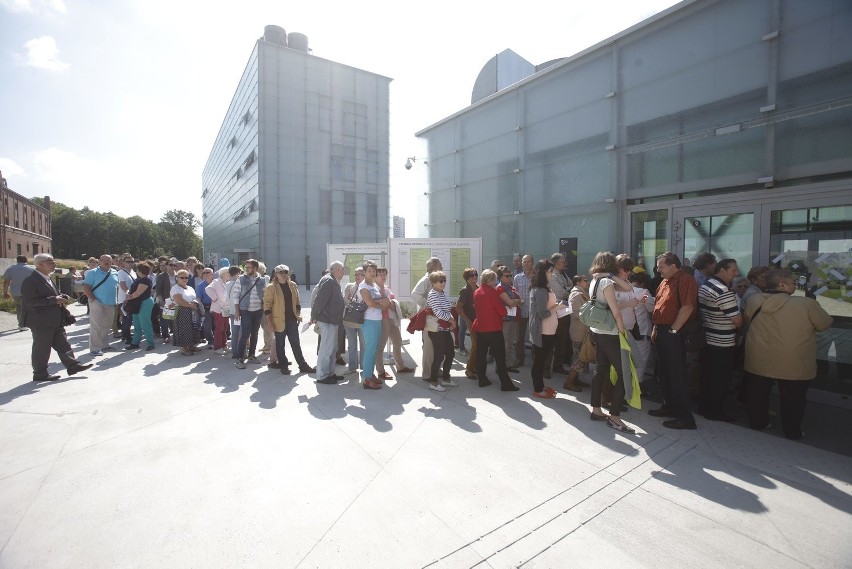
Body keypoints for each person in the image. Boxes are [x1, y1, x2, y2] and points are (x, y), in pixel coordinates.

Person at [744, 269, 832, 440]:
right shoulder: (806, 304)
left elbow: (748, 318)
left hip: (759, 357)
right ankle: (792, 431)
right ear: (781, 285)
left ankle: (758, 423)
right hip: (794, 361)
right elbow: (824, 324)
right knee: (794, 398)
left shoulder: (754, 300)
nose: (796, 284)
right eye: (793, 282)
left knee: (757, 394)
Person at [20, 254, 93, 381]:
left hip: (55, 320)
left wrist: (60, 296)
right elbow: (30, 302)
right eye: (51, 262)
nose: (55, 264)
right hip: (41, 322)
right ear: (40, 264)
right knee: (42, 348)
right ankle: (40, 374)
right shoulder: (30, 280)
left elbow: (48, 295)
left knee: (64, 345)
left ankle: (73, 366)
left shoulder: (47, 277)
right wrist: (53, 300)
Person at [587, 252, 635, 434]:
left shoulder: (595, 281)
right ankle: (615, 417)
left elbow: (628, 288)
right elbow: (615, 311)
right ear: (611, 265)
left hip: (597, 330)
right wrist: (622, 330)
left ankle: (596, 410)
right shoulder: (607, 282)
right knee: (625, 373)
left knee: (601, 370)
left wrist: (608, 275)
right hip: (610, 332)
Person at [650, 252, 698, 430]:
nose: (658, 270)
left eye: (661, 266)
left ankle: (685, 418)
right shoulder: (664, 281)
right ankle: (669, 407)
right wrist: (656, 328)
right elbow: (659, 307)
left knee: (676, 376)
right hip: (663, 331)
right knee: (664, 373)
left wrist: (673, 330)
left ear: (673, 265)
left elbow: (687, 307)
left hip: (673, 332)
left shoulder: (685, 280)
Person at [697, 259, 744, 421]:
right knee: (720, 379)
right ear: (722, 271)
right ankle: (714, 411)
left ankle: (704, 407)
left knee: (708, 377)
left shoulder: (706, 284)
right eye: (733, 271)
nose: (736, 274)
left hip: (708, 338)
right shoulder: (723, 291)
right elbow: (737, 320)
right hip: (723, 341)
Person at [263, 264, 315, 375]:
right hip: (278, 321)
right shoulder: (271, 288)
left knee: (295, 343)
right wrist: (270, 322)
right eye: (280, 272)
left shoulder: (293, 285)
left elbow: (297, 302)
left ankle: (302, 365)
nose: (283, 275)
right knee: (280, 344)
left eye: (285, 272)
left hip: (292, 320)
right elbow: (267, 306)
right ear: (276, 274)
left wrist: (298, 315)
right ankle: (283, 365)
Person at [471, 270, 519, 391]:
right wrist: (504, 310)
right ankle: (505, 383)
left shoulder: (477, 291)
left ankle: (482, 379)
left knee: (481, 354)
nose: (496, 281)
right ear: (489, 280)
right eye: (494, 279)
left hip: (481, 327)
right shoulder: (492, 292)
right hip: (493, 328)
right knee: (500, 357)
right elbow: (501, 311)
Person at [374, 267, 414, 378]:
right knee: (381, 346)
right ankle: (381, 372)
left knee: (397, 341)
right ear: (376, 276)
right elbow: (381, 303)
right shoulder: (375, 288)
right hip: (383, 319)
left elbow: (390, 301)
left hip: (392, 318)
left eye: (384, 274)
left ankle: (400, 367)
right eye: (380, 274)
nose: (383, 276)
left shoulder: (386, 287)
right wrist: (388, 302)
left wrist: (390, 303)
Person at [528, 259, 559, 399]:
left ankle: (541, 385)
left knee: (542, 359)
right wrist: (558, 307)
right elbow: (542, 314)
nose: (552, 274)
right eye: (550, 271)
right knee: (539, 361)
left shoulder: (545, 288)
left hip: (549, 330)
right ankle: (538, 389)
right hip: (543, 331)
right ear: (543, 273)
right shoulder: (540, 290)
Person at [422, 270, 456, 392]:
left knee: (451, 353)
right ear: (433, 283)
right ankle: (434, 382)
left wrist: (450, 320)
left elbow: (446, 310)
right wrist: (451, 320)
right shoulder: (433, 294)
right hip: (437, 330)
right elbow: (438, 312)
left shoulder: (440, 293)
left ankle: (446, 379)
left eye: (444, 281)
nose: (443, 283)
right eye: (440, 281)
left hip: (444, 328)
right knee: (439, 356)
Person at [358, 261, 389, 389]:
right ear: (364, 273)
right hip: (368, 320)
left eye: (373, 271)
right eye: (369, 271)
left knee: (374, 349)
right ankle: (367, 379)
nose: (372, 273)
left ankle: (370, 374)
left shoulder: (374, 286)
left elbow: (382, 300)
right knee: (370, 350)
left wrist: (382, 302)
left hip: (377, 319)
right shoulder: (363, 286)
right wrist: (382, 303)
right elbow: (370, 302)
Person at [313, 262, 345, 384]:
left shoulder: (333, 280)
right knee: (326, 349)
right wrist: (314, 316)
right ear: (336, 269)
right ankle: (322, 376)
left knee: (332, 349)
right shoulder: (329, 281)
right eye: (342, 270)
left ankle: (330, 373)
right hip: (327, 320)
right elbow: (319, 300)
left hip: (334, 321)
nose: (343, 272)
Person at [231, 259, 266, 369]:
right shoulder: (240, 279)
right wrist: (237, 311)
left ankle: (251, 355)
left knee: (255, 333)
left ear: (255, 268)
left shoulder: (262, 280)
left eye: (248, 267)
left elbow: (265, 294)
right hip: (245, 310)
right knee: (245, 334)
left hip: (258, 310)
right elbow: (235, 295)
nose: (246, 269)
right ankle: (240, 358)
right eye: (246, 267)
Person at [82, 254, 120, 356]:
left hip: (111, 303)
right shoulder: (92, 272)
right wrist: (94, 300)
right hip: (97, 302)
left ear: (112, 262)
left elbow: (116, 287)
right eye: (104, 260)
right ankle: (94, 348)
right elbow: (86, 287)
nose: (106, 262)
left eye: (109, 260)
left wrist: (116, 300)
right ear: (99, 261)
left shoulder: (115, 272)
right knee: (96, 326)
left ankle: (104, 345)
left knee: (106, 326)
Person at [411, 256, 442, 375]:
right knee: (429, 346)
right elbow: (414, 294)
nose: (442, 267)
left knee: (435, 345)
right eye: (440, 264)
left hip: (434, 316)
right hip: (429, 317)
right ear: (434, 266)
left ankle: (435, 369)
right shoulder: (426, 279)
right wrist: (428, 305)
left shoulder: (433, 279)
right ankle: (428, 373)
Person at [627, 271, 655, 389]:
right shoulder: (644, 292)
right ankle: (636, 389)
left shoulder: (624, 290)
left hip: (626, 329)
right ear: (643, 283)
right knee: (640, 360)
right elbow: (651, 308)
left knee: (627, 360)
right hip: (641, 331)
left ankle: (625, 387)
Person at [548, 253, 572, 376]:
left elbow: (571, 285)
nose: (565, 264)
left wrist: (568, 290)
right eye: (563, 262)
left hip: (565, 310)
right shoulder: (552, 276)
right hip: (556, 310)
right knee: (556, 340)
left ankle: (560, 363)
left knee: (563, 339)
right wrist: (569, 290)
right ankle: (553, 365)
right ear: (557, 264)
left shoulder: (563, 274)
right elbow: (562, 293)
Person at [566, 274, 591, 392]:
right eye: (585, 280)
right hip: (578, 331)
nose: (587, 282)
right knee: (578, 358)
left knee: (579, 357)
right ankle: (569, 382)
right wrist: (588, 315)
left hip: (582, 329)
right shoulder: (575, 295)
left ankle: (575, 380)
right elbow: (573, 313)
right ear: (578, 283)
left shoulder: (583, 294)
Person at [124, 262, 156, 351]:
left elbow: (138, 293)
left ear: (140, 270)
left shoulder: (146, 280)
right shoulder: (139, 279)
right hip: (136, 303)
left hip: (145, 302)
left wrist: (128, 298)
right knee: (137, 324)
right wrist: (128, 294)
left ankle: (150, 343)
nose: (136, 270)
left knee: (145, 323)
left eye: (137, 269)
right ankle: (135, 343)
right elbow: (132, 291)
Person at [496, 266, 523, 373]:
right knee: (505, 344)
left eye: (510, 275)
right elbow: (511, 302)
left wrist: (515, 301)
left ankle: (508, 364)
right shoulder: (500, 288)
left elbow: (522, 301)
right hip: (505, 319)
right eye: (506, 276)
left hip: (513, 317)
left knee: (510, 343)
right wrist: (516, 301)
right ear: (500, 277)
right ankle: (501, 366)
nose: (509, 277)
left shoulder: (510, 287)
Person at [171, 269, 203, 356]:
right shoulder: (175, 288)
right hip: (182, 311)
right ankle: (184, 348)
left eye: (186, 277)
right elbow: (179, 300)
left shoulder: (190, 288)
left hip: (192, 311)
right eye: (182, 277)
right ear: (177, 278)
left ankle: (191, 346)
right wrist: (190, 305)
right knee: (184, 329)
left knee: (192, 328)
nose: (184, 279)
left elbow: (195, 298)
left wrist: (195, 304)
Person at [455, 268, 479, 380]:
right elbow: (458, 308)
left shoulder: (479, 288)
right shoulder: (465, 291)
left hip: (480, 321)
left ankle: (475, 367)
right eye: (471, 275)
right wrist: (467, 320)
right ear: (467, 278)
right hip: (472, 322)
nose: (474, 277)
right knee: (476, 345)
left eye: (476, 275)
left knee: (479, 345)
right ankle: (469, 370)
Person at [342, 267, 366, 375]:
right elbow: (345, 299)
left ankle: (364, 367)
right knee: (352, 344)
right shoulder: (349, 286)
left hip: (362, 319)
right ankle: (352, 367)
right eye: (356, 274)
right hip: (350, 319)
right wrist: (354, 304)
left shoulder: (368, 287)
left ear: (364, 275)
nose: (357, 276)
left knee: (363, 343)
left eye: (360, 274)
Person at [512, 255, 534, 367]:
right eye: (524, 261)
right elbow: (514, 293)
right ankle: (519, 359)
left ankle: (536, 360)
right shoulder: (517, 277)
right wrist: (517, 300)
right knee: (519, 337)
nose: (526, 263)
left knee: (535, 337)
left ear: (532, 263)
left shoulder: (536, 277)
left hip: (534, 312)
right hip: (521, 310)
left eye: (528, 261)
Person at [3, 255, 34, 331]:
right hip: (27, 292)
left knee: (18, 307)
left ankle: (21, 323)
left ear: (17, 260)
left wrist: (5, 292)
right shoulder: (31, 269)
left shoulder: (11, 269)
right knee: (25, 308)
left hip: (15, 292)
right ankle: (22, 324)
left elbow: (6, 281)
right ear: (26, 260)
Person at [206, 267, 232, 354]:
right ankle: (217, 347)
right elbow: (208, 289)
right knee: (219, 328)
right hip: (218, 309)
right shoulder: (216, 281)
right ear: (224, 274)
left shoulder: (225, 283)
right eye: (228, 273)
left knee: (224, 328)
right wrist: (215, 298)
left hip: (225, 309)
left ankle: (224, 345)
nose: (229, 274)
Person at [154, 259, 176, 342]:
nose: (173, 267)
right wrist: (161, 301)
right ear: (166, 266)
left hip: (176, 299)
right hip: (166, 299)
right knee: (164, 319)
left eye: (174, 265)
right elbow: (158, 290)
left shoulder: (177, 275)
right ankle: (165, 336)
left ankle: (176, 335)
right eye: (171, 265)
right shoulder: (161, 276)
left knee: (175, 318)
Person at [117, 255, 136, 344]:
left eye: (132, 261)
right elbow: (123, 285)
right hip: (124, 299)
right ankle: (127, 337)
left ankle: (125, 335)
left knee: (127, 319)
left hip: (132, 298)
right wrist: (129, 294)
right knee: (127, 318)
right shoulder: (121, 272)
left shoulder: (133, 272)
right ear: (124, 263)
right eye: (128, 262)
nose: (130, 263)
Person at [195, 267, 215, 348]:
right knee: (207, 327)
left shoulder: (217, 284)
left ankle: (218, 341)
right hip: (206, 308)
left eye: (208, 272)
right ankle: (210, 341)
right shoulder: (200, 286)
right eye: (204, 273)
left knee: (218, 326)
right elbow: (198, 299)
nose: (206, 274)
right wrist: (200, 309)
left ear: (212, 274)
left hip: (217, 308)